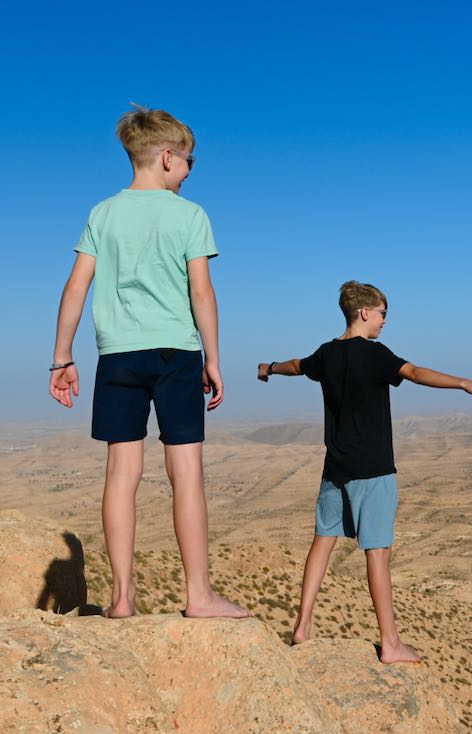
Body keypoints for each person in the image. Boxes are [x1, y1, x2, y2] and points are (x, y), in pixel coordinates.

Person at [49, 105, 249, 620]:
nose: (189, 170)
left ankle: (121, 597)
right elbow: (202, 293)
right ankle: (199, 596)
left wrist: (61, 357)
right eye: (190, 161)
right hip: (176, 352)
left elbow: (76, 285)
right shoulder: (189, 215)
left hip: (116, 356)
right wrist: (214, 358)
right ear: (167, 158)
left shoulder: (102, 212)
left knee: (121, 474)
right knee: (187, 473)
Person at [258, 280, 472, 662]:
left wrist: (268, 368)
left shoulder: (326, 354)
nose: (385, 322)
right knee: (378, 553)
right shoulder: (375, 354)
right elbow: (416, 372)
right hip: (372, 469)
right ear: (365, 312)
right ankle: (390, 643)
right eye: (384, 314)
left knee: (323, 541)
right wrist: (465, 384)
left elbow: (295, 366)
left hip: (335, 467)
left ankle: (302, 627)